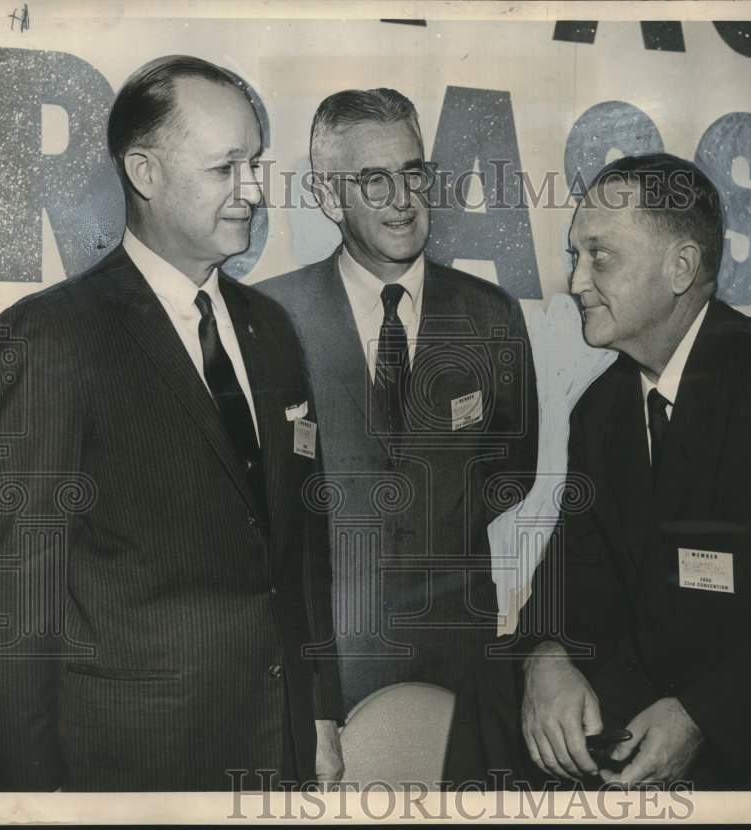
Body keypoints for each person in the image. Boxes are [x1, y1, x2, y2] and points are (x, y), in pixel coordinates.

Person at [445, 152, 751, 790]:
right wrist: (546, 655)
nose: (576, 281)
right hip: (665, 693)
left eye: (599, 256)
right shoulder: (603, 411)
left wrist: (704, 718)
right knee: (499, 676)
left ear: (681, 267)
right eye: (573, 255)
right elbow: (575, 573)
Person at [0, 55, 343, 792]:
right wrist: (32, 803)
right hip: (131, 769)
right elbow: (14, 608)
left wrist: (320, 714)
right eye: (225, 167)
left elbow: (302, 548)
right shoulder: (52, 338)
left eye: (257, 162)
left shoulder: (272, 329)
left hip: (278, 749)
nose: (254, 189)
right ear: (143, 172)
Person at [257, 89, 539, 714]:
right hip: (326, 664)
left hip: (461, 658)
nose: (404, 202)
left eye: (414, 175)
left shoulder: (490, 314)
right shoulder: (269, 317)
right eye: (375, 181)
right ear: (329, 196)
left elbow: (513, 468)